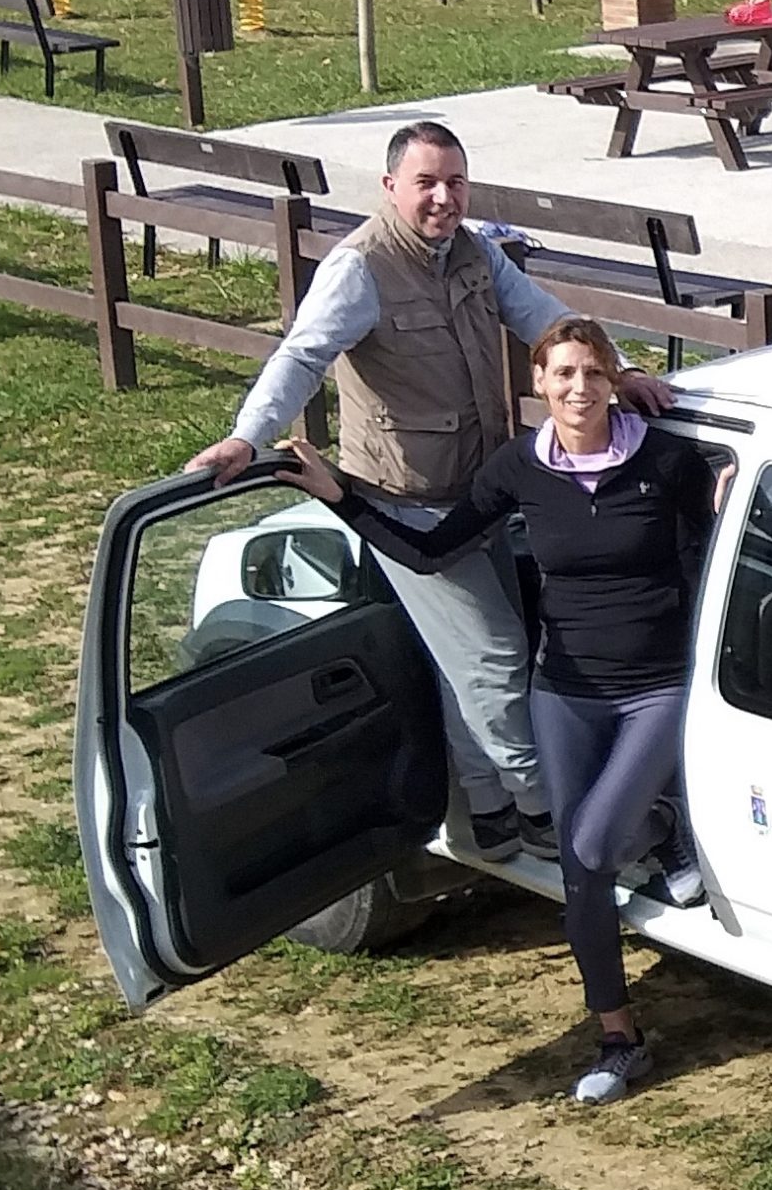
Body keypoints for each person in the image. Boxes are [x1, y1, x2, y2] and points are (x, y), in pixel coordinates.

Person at [184, 121, 676, 865]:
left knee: (466, 665)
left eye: (454, 182)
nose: (443, 198)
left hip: (477, 495)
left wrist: (620, 369)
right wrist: (248, 437)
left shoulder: (474, 251)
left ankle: (487, 811)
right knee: (497, 661)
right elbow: (302, 355)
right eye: (426, 183)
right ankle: (543, 811)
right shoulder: (361, 269)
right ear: (390, 189)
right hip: (407, 505)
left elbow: (545, 318)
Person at [276, 318, 713, 1106]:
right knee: (581, 873)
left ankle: (662, 823)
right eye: (563, 375)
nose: (579, 388)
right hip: (565, 689)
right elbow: (430, 551)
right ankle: (619, 1037)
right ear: (539, 386)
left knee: (586, 841)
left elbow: (703, 565)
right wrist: (341, 495)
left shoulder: (667, 461)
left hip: (658, 686)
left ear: (614, 380)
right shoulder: (518, 468)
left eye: (593, 372)